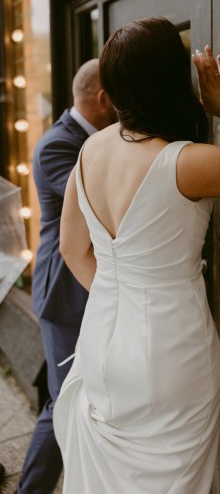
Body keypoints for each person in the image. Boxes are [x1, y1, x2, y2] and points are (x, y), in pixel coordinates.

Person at [54, 17, 220, 493]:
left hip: (100, 341)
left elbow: (72, 248)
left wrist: (125, 298)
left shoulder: (90, 150)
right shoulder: (185, 162)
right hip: (170, 351)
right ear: (175, 82)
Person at [18, 59, 116, 494]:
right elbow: (100, 202)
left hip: (90, 291)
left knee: (72, 399)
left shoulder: (89, 140)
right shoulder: (57, 145)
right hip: (64, 294)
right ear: (103, 99)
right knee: (65, 403)